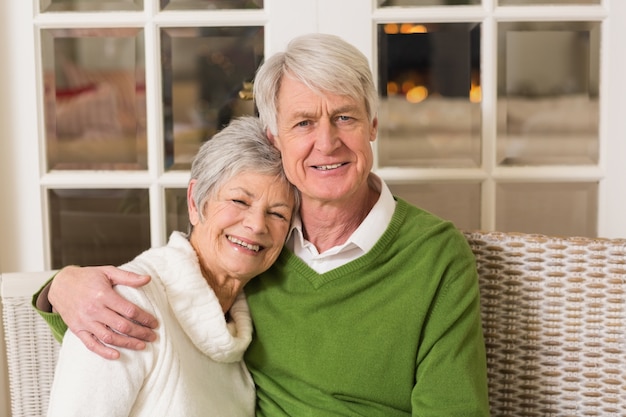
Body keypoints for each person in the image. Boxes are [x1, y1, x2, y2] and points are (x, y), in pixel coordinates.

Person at [35, 33, 491, 416]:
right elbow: (162, 307)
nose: (326, 143)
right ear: (277, 139)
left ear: (372, 125)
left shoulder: (435, 256)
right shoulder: (259, 251)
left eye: (344, 117)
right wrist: (61, 287)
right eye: (303, 123)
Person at [45, 116, 298, 417]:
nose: (257, 225)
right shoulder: (124, 306)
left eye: (278, 214)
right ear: (195, 202)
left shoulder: (243, 327)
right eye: (239, 201)